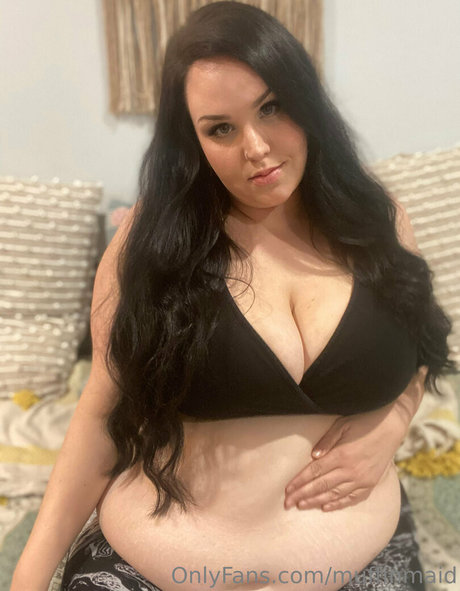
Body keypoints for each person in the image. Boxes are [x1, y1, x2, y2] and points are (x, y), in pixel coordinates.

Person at [11, 2, 457, 591]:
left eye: (272, 107)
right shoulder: (150, 239)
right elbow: (100, 413)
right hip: (149, 569)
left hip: (360, 565)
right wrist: (28, 577)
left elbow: (423, 341)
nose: (257, 148)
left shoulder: (378, 220)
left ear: (307, 102)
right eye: (220, 128)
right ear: (191, 140)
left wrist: (392, 423)